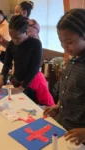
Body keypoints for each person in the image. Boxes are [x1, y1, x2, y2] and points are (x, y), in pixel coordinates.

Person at [44, 9, 85, 145]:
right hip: (66, 130)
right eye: (61, 41)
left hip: (80, 137)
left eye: (68, 41)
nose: (64, 47)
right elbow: (72, 91)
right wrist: (59, 105)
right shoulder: (74, 58)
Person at [0, 15, 42, 100]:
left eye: (17, 38)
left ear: (26, 32)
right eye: (12, 37)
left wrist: (21, 88)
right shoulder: (11, 44)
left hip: (30, 84)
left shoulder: (35, 44)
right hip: (16, 81)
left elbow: (35, 68)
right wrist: (2, 77)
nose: (14, 40)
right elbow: (7, 64)